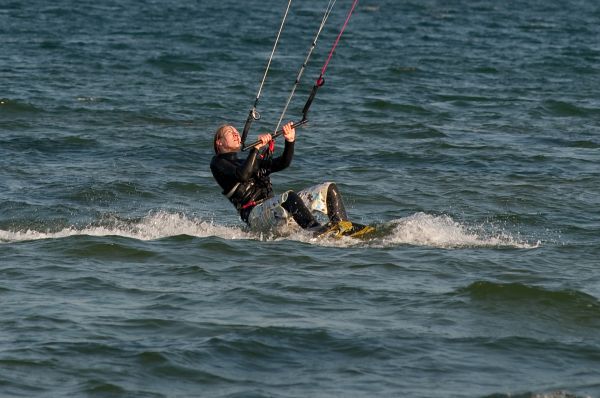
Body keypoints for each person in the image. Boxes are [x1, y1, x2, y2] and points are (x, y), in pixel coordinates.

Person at [210, 122, 350, 234]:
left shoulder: (249, 161)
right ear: (219, 142)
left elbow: (283, 163)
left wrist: (290, 141)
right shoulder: (218, 163)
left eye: (236, 131)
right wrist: (256, 148)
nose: (235, 134)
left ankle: (343, 228)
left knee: (328, 188)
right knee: (289, 196)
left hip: (276, 210)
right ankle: (315, 230)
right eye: (229, 132)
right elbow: (243, 175)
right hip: (255, 216)